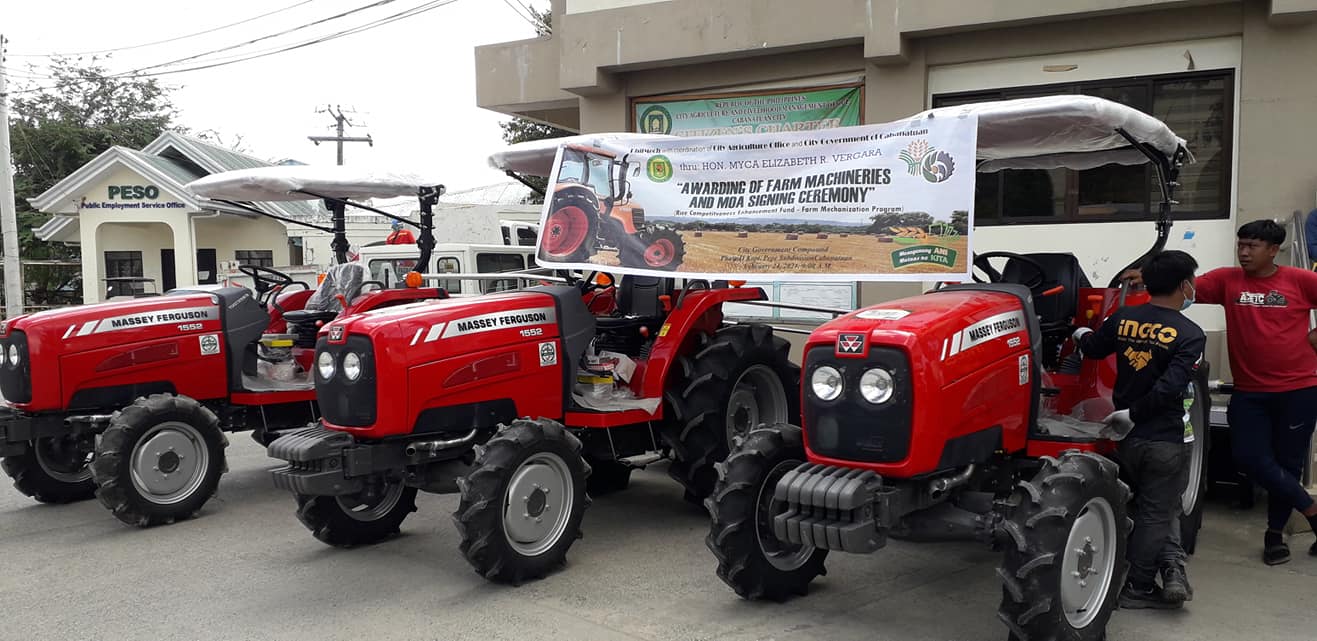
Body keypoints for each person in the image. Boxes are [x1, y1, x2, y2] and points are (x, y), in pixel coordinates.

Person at [1073, 249, 1205, 609]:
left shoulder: (1123, 317)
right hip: (1162, 438)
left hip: (1124, 436)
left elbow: (1094, 349)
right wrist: (1136, 413)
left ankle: (1158, 570)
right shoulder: (1189, 333)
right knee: (1155, 514)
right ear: (1184, 286)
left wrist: (1080, 332)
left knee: (1137, 505)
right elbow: (1171, 387)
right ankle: (1139, 588)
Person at [1190, 219, 1317, 565]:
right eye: (1241, 245)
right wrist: (1150, 275)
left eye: (1253, 246)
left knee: (1287, 464)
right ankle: (1313, 512)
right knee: (1247, 456)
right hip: (1249, 391)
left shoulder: (1300, 280)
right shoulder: (1227, 281)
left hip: (1299, 389)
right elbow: (1184, 289)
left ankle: (1274, 536)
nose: (1244, 252)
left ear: (1274, 250)